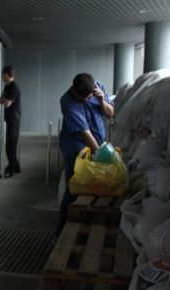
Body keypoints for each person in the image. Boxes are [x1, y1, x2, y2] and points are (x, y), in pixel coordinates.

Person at [56, 72, 114, 234]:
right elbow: (85, 133)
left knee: (95, 187)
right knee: (73, 189)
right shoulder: (67, 102)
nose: (86, 100)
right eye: (83, 98)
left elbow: (110, 113)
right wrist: (102, 157)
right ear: (74, 91)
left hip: (98, 143)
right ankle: (60, 232)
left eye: (89, 97)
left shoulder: (97, 88)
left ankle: (85, 228)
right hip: (76, 148)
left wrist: (102, 101)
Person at [0, 65, 22, 178]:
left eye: (3, 74)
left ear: (7, 74)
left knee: (10, 147)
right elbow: (0, 99)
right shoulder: (7, 87)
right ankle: (16, 167)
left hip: (13, 120)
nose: (2, 76)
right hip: (9, 120)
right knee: (10, 146)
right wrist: (4, 99)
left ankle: (10, 169)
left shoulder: (13, 87)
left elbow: (7, 103)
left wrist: (4, 100)